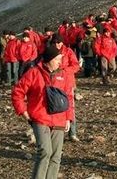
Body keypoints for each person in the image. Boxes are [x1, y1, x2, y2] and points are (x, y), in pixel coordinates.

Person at [12, 45, 75, 179]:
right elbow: (17, 92)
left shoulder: (63, 75)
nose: (60, 62)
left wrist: (69, 118)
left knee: (56, 155)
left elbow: (69, 97)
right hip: (40, 118)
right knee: (45, 152)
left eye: (60, 59)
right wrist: (23, 111)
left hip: (59, 119)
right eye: (57, 59)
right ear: (49, 59)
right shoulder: (34, 73)